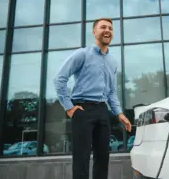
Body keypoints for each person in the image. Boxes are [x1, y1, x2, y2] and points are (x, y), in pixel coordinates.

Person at [54, 18, 132, 179]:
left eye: (110, 28)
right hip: (82, 110)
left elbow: (111, 91)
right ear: (94, 31)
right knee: (81, 158)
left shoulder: (112, 61)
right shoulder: (82, 54)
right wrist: (69, 107)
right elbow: (60, 78)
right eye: (103, 27)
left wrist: (119, 114)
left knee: (103, 157)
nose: (107, 30)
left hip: (102, 111)